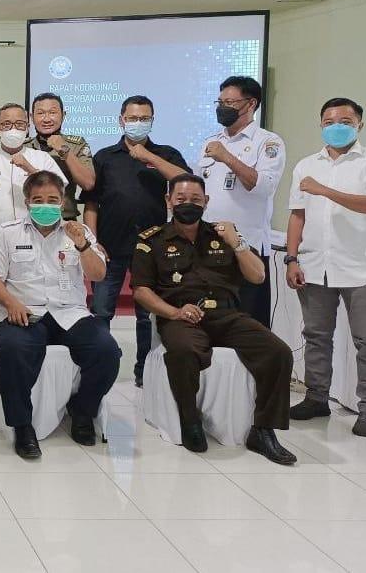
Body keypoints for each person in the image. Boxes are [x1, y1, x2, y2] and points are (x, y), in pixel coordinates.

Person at [131, 173, 295, 464]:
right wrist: (174, 312)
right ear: (168, 201)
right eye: (181, 199)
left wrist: (237, 243)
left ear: (206, 202)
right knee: (183, 351)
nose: (188, 204)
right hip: (181, 317)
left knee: (278, 352)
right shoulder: (152, 240)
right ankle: (190, 420)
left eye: (196, 199)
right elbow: (142, 291)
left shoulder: (224, 234)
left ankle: (263, 430)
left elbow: (258, 276)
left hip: (227, 315)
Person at [0, 171, 120, 459]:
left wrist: (82, 245)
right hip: (25, 312)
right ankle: (22, 426)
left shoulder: (79, 232)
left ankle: (83, 411)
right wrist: (10, 302)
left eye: (52, 200)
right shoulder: (7, 232)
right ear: (27, 202)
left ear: (63, 201)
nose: (46, 205)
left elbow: (98, 274)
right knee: (13, 351)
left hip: (71, 314)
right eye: (38, 200)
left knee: (107, 351)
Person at [286, 97, 366, 437]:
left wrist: (324, 190)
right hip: (315, 264)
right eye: (329, 121)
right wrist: (291, 258)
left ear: (359, 124)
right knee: (316, 337)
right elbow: (297, 215)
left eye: (345, 121)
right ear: (320, 125)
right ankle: (316, 397)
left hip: (360, 267)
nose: (336, 127)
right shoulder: (306, 165)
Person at [82, 95, 190, 386]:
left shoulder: (166, 153)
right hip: (109, 247)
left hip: (152, 249)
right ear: (121, 120)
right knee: (101, 311)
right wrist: (92, 241)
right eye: (132, 118)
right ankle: (99, 367)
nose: (138, 123)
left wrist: (150, 158)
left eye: (144, 118)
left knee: (147, 315)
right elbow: (91, 203)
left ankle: (145, 370)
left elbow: (187, 182)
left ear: (153, 121)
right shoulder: (104, 157)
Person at [0, 102, 66, 377]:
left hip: (38, 247)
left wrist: (29, 167)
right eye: (6, 125)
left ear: (27, 127)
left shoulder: (42, 160)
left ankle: (33, 371)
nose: (13, 129)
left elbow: (58, 192)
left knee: (34, 308)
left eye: (19, 124)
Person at [195, 77, 284, 327]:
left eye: (230, 102)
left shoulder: (268, 142)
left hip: (248, 247)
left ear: (251, 103)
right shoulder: (211, 141)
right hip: (210, 244)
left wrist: (227, 157)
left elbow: (264, 187)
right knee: (212, 320)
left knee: (247, 322)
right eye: (220, 102)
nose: (222, 108)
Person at [24, 92, 94, 221]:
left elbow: (88, 183)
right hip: (29, 220)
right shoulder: (24, 147)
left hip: (65, 220)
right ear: (31, 117)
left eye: (52, 112)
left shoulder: (76, 145)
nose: (46, 119)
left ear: (63, 115)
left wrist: (64, 151)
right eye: (40, 113)